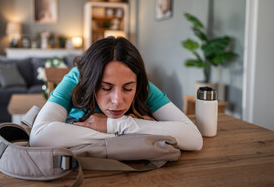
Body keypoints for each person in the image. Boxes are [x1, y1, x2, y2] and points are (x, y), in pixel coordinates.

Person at [30, 37, 203, 151]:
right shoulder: (77, 77)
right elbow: (39, 137)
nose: (118, 100)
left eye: (128, 88)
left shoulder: (143, 86)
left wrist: (115, 125)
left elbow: (193, 137)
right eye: (106, 88)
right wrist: (136, 132)